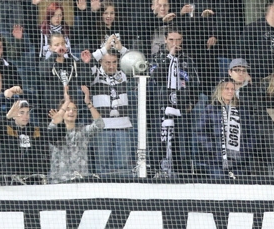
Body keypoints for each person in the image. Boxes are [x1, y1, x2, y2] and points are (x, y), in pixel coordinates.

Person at [148, 29, 201, 177]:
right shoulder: (157, 58)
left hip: (181, 110)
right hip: (160, 110)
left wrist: (192, 102)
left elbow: (196, 84)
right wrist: (170, 56)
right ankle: (158, 173)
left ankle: (182, 175)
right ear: (165, 39)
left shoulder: (187, 60)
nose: (175, 44)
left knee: (181, 144)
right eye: (171, 40)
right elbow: (156, 77)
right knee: (159, 143)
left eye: (178, 40)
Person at [0, 99, 67, 177]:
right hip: (9, 181)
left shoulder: (36, 131)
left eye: (27, 113)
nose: (25, 116)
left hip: (32, 181)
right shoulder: (5, 130)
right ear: (13, 115)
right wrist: (7, 117)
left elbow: (57, 136)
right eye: (21, 112)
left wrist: (60, 123)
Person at [88, 51, 135, 177]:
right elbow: (86, 66)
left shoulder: (123, 75)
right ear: (100, 62)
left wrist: (121, 49)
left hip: (123, 127)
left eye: (114, 62)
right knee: (102, 166)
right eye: (107, 62)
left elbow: (136, 63)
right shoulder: (95, 74)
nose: (111, 66)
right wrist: (103, 49)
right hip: (103, 128)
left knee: (124, 167)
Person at [196, 78, 254, 178]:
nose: (230, 91)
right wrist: (213, 148)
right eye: (227, 88)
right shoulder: (210, 109)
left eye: (232, 89)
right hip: (216, 160)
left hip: (239, 162)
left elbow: (252, 133)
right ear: (220, 90)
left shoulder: (242, 109)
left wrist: (244, 149)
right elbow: (200, 132)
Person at [49, 89, 105, 182]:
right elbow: (51, 131)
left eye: (74, 109)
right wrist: (64, 105)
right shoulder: (54, 130)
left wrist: (88, 103)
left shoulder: (83, 131)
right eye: (67, 110)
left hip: (80, 180)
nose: (71, 112)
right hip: (58, 181)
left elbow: (100, 125)